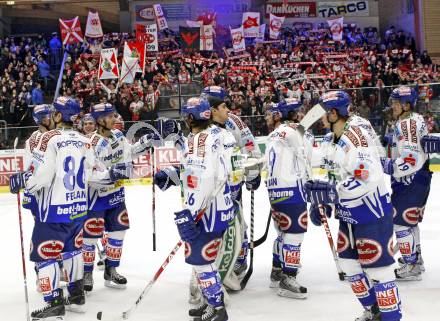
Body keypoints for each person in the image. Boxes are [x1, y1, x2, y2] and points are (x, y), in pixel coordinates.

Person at [8, 96, 123, 320]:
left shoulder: (49, 138)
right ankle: (77, 296)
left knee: (45, 254)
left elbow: (41, 175)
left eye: (54, 113)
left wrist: (22, 181)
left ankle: (54, 303)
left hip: (53, 210)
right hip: (79, 208)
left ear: (58, 116)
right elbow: (93, 174)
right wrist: (113, 174)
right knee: (72, 251)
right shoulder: (85, 140)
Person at [305, 91, 401, 321]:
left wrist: (332, 194)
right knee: (349, 267)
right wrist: (324, 202)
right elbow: (333, 175)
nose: (318, 118)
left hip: (371, 213)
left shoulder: (356, 138)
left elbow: (365, 178)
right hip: (348, 215)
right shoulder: (330, 139)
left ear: (334, 113)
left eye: (322, 113)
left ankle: (391, 318)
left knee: (379, 272)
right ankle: (374, 310)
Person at [154, 97, 233, 321]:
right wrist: (172, 175)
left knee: (200, 259)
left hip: (206, 209)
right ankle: (210, 301)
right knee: (203, 258)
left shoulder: (200, 140)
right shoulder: (215, 135)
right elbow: (196, 169)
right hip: (218, 206)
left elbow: (203, 178)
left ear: (190, 117)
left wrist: (190, 213)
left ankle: (217, 308)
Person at [82, 102, 161, 293]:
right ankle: (86, 273)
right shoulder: (90, 144)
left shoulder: (117, 135)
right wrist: (112, 174)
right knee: (90, 238)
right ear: (100, 120)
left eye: (114, 115)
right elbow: (89, 177)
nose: (115, 119)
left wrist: (147, 140)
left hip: (116, 196)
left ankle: (111, 269)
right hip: (95, 199)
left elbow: (131, 151)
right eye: (110, 116)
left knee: (118, 233)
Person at [202, 86, 262, 287]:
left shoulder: (234, 121)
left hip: (232, 186)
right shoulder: (201, 123)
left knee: (236, 225)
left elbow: (250, 146)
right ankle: (209, 265)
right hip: (209, 188)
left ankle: (238, 261)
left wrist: (253, 173)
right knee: (210, 228)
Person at [263, 98, 314, 299]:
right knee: (295, 233)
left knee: (283, 233)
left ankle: (277, 270)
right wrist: (310, 182)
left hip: (275, 190)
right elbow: (306, 157)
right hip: (292, 188)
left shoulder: (274, 134)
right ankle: (288, 278)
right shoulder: (298, 131)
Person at [380, 86, 432, 281]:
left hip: (410, 180)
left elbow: (411, 159)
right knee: (411, 223)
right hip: (419, 179)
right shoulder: (414, 119)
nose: (392, 106)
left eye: (395, 102)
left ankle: (411, 265)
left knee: (400, 223)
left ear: (407, 104)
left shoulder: (407, 124)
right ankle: (416, 260)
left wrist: (389, 166)